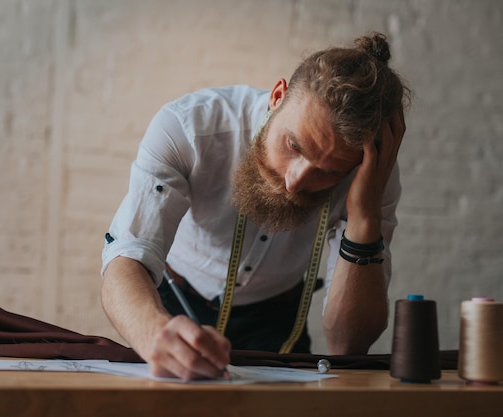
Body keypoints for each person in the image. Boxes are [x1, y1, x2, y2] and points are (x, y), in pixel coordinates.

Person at [101, 32, 410, 380]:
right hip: (171, 304)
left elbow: (347, 345)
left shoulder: (369, 176)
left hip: (277, 321)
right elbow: (126, 256)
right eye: (293, 144)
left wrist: (364, 217)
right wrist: (153, 332)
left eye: (329, 171)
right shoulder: (189, 129)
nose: (296, 181)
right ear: (277, 97)